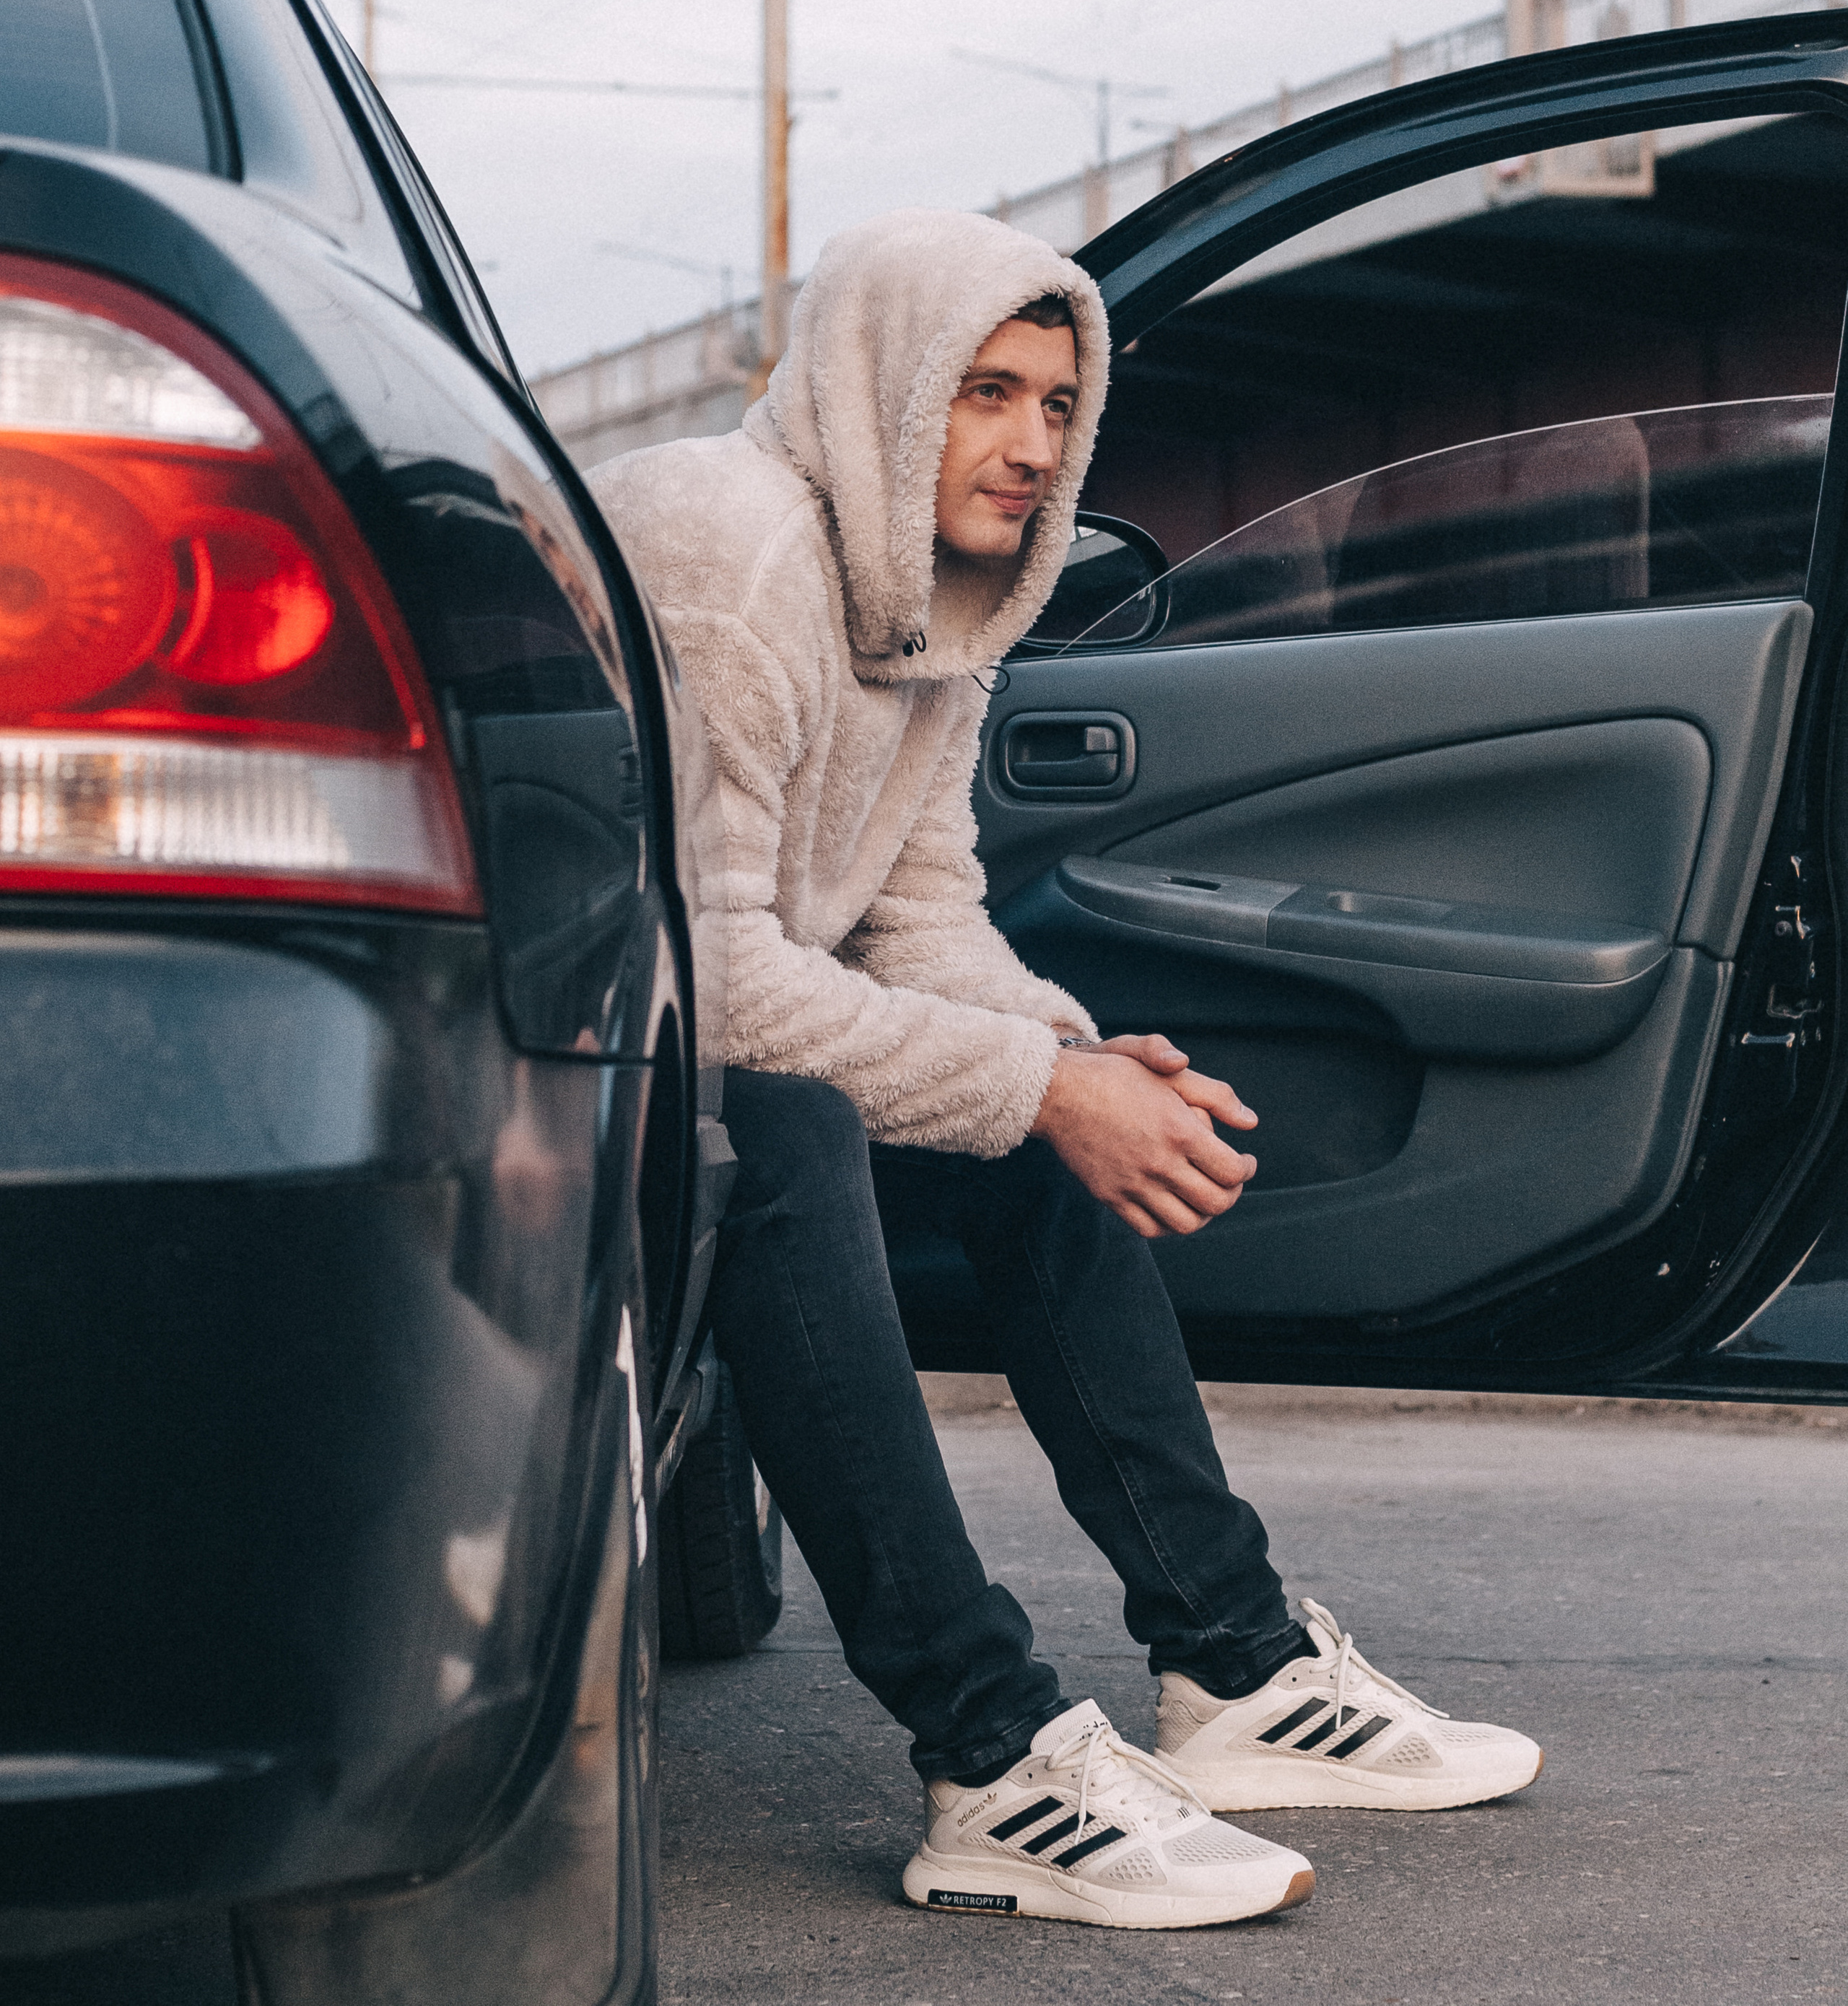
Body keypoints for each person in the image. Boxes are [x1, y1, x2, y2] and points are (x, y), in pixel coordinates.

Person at [593, 209, 1540, 1932]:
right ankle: (988, 1759)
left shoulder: (931, 599)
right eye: (984, 395)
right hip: (568, 1102)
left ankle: (1235, 1670)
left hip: (713, 1069)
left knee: (1026, 1083)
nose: (1033, 448)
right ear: (879, 389)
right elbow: (698, 983)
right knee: (794, 1119)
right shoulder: (719, 557)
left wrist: (1066, 1058)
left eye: (1055, 401)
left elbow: (923, 923)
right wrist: (1040, 1087)